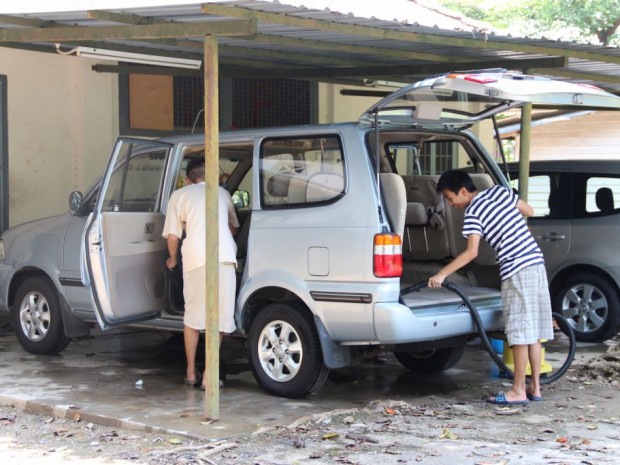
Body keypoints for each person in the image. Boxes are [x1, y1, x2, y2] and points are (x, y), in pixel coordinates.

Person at [427, 170, 553, 405]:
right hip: (535, 261)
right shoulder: (500, 191)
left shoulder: (473, 212)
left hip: (516, 267)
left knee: (518, 331)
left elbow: (472, 252)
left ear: (463, 191)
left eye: (449, 197)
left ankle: (517, 390)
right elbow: (529, 211)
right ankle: (535, 387)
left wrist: (442, 273)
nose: (451, 204)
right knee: (533, 329)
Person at [162, 158, 240, 389]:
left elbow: (173, 237)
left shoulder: (180, 196)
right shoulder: (223, 194)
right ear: (213, 176)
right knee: (219, 319)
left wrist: (172, 260)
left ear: (187, 179)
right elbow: (233, 227)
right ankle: (209, 374)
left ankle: (190, 373)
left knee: (194, 318)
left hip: (195, 260)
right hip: (224, 258)